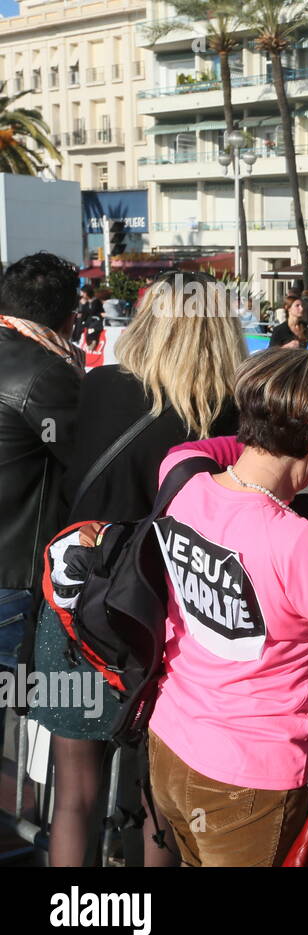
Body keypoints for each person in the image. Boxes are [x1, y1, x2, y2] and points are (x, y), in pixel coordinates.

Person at [147, 348, 308, 867]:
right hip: (248, 777)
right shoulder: (298, 543)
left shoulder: (181, 475)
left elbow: (207, 447)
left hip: (170, 742)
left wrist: (272, 445)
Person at [30, 271, 248, 868]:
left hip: (79, 606)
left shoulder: (101, 386)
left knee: (74, 795)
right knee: (162, 798)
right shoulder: (226, 413)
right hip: (167, 616)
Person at [0, 253, 82, 744]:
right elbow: (90, 459)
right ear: (70, 318)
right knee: (23, 726)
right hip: (11, 579)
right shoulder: (48, 373)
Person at [73, 286, 106, 351]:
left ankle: (80, 339)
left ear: (87, 293)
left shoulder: (96, 301)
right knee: (78, 321)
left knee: (82, 322)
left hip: (95, 320)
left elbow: (92, 312)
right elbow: (85, 312)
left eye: (83, 293)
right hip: (88, 320)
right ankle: (75, 338)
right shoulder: (88, 302)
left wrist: (85, 304)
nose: (82, 295)